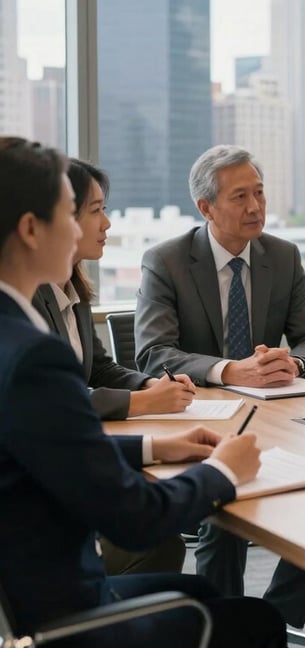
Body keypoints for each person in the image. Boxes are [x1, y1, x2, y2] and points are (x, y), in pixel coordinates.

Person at [0, 136, 285, 648]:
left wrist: (155, 449)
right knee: (259, 626)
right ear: (32, 228)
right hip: (62, 635)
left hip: (27, 606)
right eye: (72, 213)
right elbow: (133, 519)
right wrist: (223, 473)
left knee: (202, 592)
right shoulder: (32, 355)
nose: (84, 230)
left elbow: (41, 453)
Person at [135, 144, 305, 648]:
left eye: (260, 191)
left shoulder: (283, 255)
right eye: (240, 196)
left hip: (280, 417)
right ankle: (225, 645)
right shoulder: (167, 260)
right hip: (203, 421)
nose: (255, 205)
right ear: (206, 208)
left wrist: (291, 360)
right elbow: (152, 353)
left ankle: (272, 628)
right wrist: (228, 370)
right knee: (222, 515)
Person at [32, 157, 196, 576]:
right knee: (159, 537)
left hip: (78, 462)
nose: (107, 223)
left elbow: (99, 369)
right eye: (96, 210)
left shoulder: (72, 288)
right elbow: (53, 400)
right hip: (53, 495)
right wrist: (140, 404)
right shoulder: (26, 303)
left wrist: (151, 385)